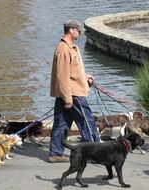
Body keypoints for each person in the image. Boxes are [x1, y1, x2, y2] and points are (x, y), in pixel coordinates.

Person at [48, 19, 100, 163]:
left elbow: (72, 72)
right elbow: (62, 76)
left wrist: (85, 77)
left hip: (67, 93)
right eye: (78, 31)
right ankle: (94, 154)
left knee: (61, 124)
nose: (80, 34)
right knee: (87, 122)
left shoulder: (69, 47)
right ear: (71, 30)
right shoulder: (64, 49)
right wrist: (68, 98)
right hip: (73, 95)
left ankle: (56, 153)